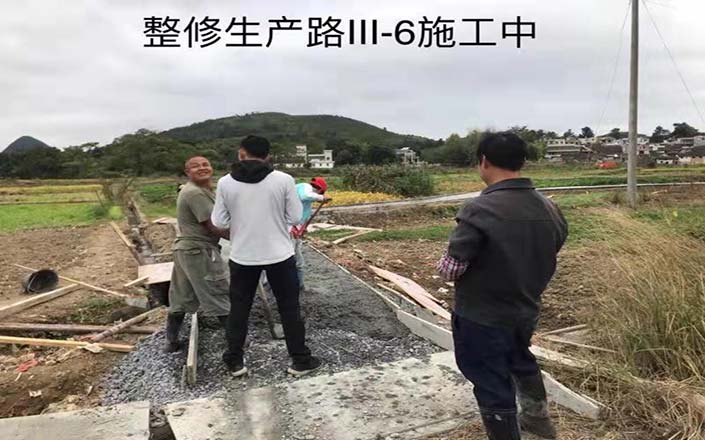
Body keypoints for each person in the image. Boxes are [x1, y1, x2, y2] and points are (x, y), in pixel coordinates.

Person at [437, 132, 568, 440]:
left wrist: (443, 263)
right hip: (525, 308)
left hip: (482, 315)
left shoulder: (480, 210)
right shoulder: (550, 207)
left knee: (490, 381)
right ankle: (537, 420)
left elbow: (451, 269)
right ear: (521, 162)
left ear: (484, 161)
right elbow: (553, 246)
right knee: (521, 360)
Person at [211, 135, 321, 377]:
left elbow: (219, 221)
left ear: (241, 153)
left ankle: (235, 361)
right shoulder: (283, 180)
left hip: (243, 256)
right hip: (279, 254)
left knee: (239, 308)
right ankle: (300, 360)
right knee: (289, 308)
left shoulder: (225, 182)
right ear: (268, 155)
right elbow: (295, 217)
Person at [164, 156, 231, 353]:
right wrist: (244, 238)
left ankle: (171, 342)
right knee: (217, 291)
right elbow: (213, 227)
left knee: (181, 296)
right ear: (188, 172)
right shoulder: (195, 193)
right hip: (199, 250)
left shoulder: (200, 190)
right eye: (195, 166)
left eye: (205, 164)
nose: (202, 168)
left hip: (185, 250)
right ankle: (236, 341)